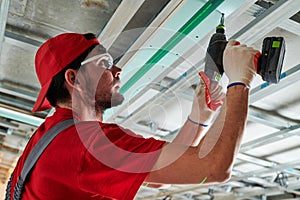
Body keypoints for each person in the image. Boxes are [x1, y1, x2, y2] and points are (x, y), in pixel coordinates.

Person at [6, 32, 259, 200]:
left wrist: (199, 116)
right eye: (104, 63)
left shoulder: (54, 135)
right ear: (74, 79)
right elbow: (214, 168)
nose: (118, 70)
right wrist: (239, 83)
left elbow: (160, 178)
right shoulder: (85, 145)